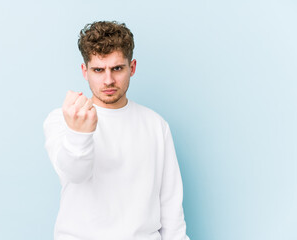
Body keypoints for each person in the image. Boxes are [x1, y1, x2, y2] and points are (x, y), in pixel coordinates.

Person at [43, 20, 190, 240]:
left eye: (117, 68)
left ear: (132, 68)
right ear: (85, 71)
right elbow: (75, 174)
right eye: (98, 70)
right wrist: (80, 134)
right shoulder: (63, 119)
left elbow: (171, 207)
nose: (108, 80)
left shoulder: (156, 125)